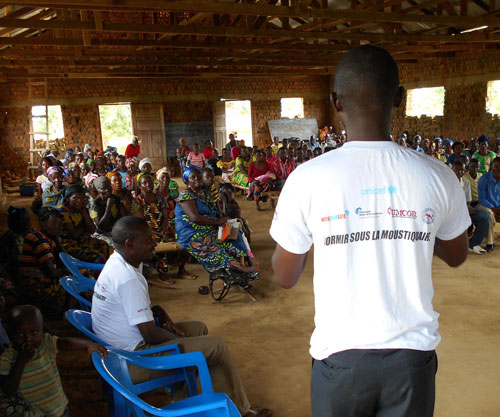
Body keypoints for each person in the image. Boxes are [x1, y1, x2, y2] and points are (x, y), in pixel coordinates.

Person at [270, 45, 469, 417]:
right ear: (399, 98)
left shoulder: (307, 178)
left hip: (340, 359)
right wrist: (414, 227)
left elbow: (284, 276)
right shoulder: (438, 175)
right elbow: (457, 255)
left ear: (336, 102)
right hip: (412, 358)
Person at [0, 305, 106, 417]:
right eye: (20, 334)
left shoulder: (45, 343)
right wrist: (21, 361)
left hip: (59, 408)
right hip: (36, 413)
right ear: (9, 332)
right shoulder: (6, 358)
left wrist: (88, 344)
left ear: (42, 330)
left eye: (34, 333)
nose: (28, 339)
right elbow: (8, 389)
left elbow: (65, 343)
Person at [175, 167, 256, 273]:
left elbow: (213, 210)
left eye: (198, 176)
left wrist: (221, 220)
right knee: (210, 244)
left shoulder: (202, 194)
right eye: (192, 177)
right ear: (186, 180)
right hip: (190, 232)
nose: (197, 178)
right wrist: (217, 222)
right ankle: (236, 267)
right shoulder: (186, 196)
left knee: (233, 232)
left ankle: (243, 260)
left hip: (207, 227)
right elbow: (195, 218)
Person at [17, 207, 69, 316]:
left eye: (60, 223)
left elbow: (65, 259)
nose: (58, 226)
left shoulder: (43, 235)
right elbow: (51, 272)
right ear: (43, 222)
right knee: (75, 279)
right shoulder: (39, 239)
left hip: (35, 282)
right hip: (35, 285)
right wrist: (65, 271)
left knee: (76, 274)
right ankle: (63, 315)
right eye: (54, 222)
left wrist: (56, 239)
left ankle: (62, 312)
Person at [131, 173, 175, 285]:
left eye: (149, 182)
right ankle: (162, 273)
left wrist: (164, 230)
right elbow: (141, 224)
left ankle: (175, 267)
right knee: (156, 242)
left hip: (161, 229)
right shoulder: (137, 202)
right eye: (144, 183)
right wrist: (158, 233)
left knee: (176, 237)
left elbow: (165, 217)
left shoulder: (160, 198)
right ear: (140, 186)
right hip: (145, 231)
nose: (148, 184)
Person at [57, 184, 109, 263]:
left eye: (82, 198)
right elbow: (75, 235)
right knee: (97, 257)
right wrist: (85, 225)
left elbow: (92, 230)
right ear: (68, 199)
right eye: (75, 198)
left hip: (84, 241)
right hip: (70, 245)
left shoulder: (81, 209)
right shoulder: (62, 211)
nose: (79, 201)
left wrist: (84, 211)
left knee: (106, 247)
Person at [451, 161, 490, 255]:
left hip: (463, 211)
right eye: (456, 169)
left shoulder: (466, 182)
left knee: (485, 216)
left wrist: (469, 208)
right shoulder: (446, 182)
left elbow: (468, 202)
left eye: (461, 169)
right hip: (450, 214)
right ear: (452, 169)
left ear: (465, 171)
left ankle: (474, 243)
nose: (459, 171)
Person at [89, 176, 126, 246]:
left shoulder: (116, 198)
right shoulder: (95, 205)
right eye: (103, 188)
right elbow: (101, 226)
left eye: (109, 187)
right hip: (103, 234)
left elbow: (123, 217)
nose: (107, 190)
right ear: (98, 190)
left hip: (118, 229)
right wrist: (108, 207)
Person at [476, 157, 500, 253]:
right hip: (483, 206)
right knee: (489, 214)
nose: (498, 169)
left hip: (498, 207)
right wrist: (493, 208)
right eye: (496, 166)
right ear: (491, 167)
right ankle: (490, 243)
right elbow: (482, 199)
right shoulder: (483, 179)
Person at [0, 207, 31, 281]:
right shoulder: (8, 240)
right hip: (15, 277)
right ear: (21, 222)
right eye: (27, 220)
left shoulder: (26, 235)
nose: (29, 223)